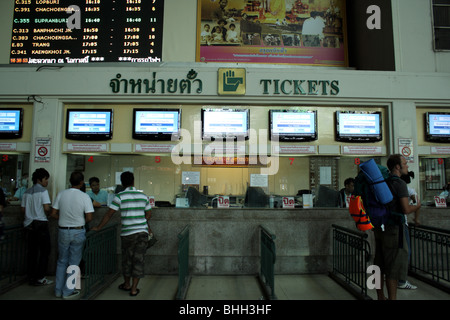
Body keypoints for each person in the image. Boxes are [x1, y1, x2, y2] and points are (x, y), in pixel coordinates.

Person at [92, 171, 152, 297]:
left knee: (127, 260)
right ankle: (134, 289)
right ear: (133, 181)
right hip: (142, 232)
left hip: (128, 234)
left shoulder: (119, 197)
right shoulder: (143, 196)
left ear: (122, 183)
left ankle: (126, 284)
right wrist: (140, 222)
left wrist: (98, 227)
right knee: (138, 260)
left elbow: (109, 214)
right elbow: (148, 214)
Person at [374, 154, 421, 300]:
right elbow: (406, 209)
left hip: (380, 227)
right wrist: (417, 206)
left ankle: (380, 296)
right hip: (394, 230)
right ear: (397, 167)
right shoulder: (399, 183)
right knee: (392, 268)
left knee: (377, 265)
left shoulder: (383, 182)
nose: (407, 166)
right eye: (405, 163)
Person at [50, 171, 94, 299]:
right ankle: (68, 291)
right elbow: (89, 217)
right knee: (74, 262)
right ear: (81, 183)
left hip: (63, 230)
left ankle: (58, 290)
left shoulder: (61, 194)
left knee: (61, 261)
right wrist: (78, 222)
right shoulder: (84, 196)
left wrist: (63, 219)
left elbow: (53, 214)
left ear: (70, 181)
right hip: (78, 231)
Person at [21, 168, 53, 286]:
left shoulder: (26, 192)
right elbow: (46, 208)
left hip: (29, 225)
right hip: (41, 224)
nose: (47, 182)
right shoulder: (43, 192)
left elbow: (23, 210)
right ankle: (41, 277)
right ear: (39, 179)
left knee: (32, 253)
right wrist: (50, 213)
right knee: (45, 252)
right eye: (46, 179)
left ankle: (31, 277)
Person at [397, 171, 419, 290]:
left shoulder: (392, 185)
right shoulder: (406, 190)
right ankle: (401, 280)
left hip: (390, 224)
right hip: (401, 223)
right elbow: (415, 204)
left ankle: (390, 276)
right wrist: (416, 216)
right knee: (406, 251)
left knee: (394, 252)